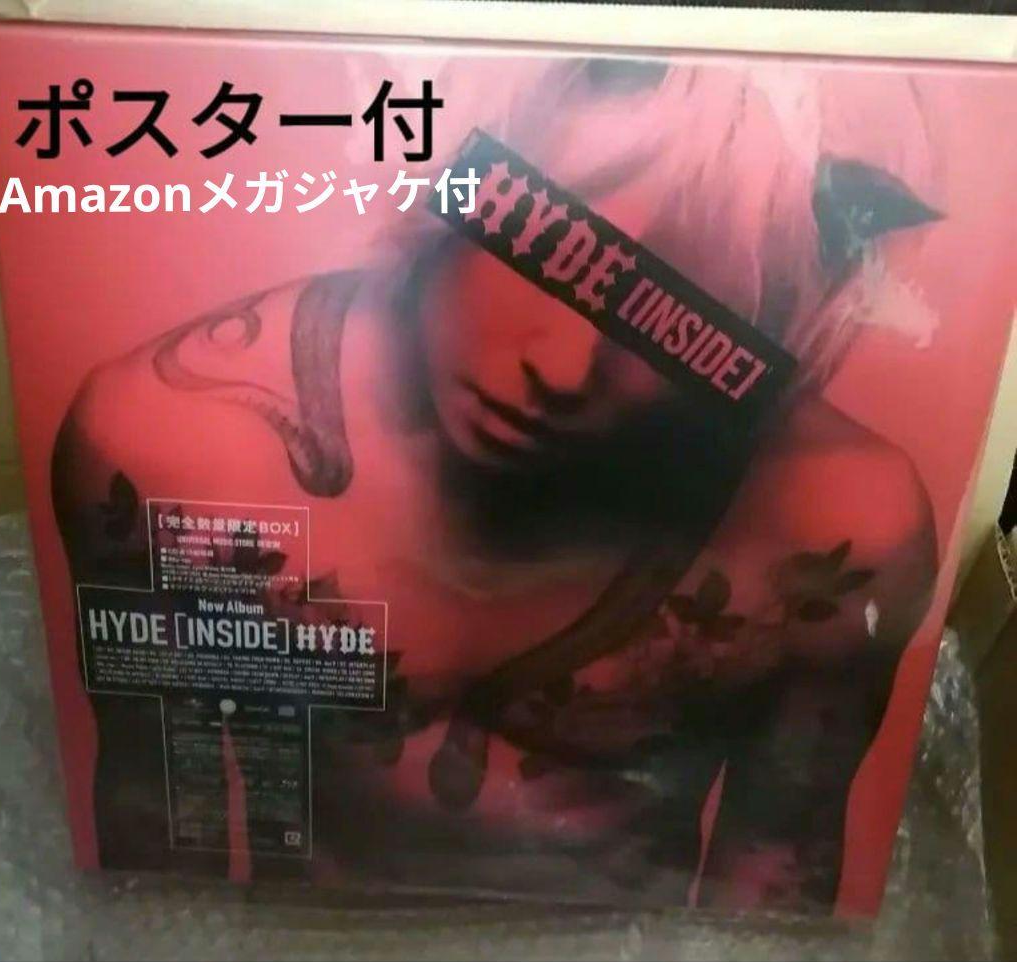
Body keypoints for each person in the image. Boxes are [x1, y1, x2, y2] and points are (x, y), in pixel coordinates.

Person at [52, 57, 941, 911]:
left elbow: (775, 872)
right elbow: (161, 825)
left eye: (668, 328)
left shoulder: (841, 531)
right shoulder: (163, 445)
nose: (563, 366)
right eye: (543, 255)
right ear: (456, 185)